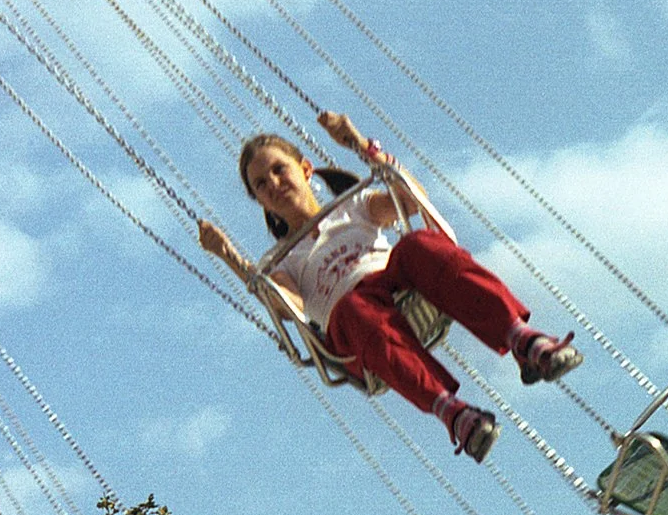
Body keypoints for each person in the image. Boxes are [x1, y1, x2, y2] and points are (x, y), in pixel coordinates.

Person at [198, 110, 582, 462]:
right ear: (259, 201)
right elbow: (287, 305)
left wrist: (360, 144)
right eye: (261, 185)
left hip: (394, 278)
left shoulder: (354, 206)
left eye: (280, 170)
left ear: (306, 169)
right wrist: (232, 259)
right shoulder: (286, 261)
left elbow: (410, 200)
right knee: (353, 310)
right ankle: (453, 412)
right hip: (351, 319)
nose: (275, 184)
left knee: (418, 245)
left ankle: (523, 340)